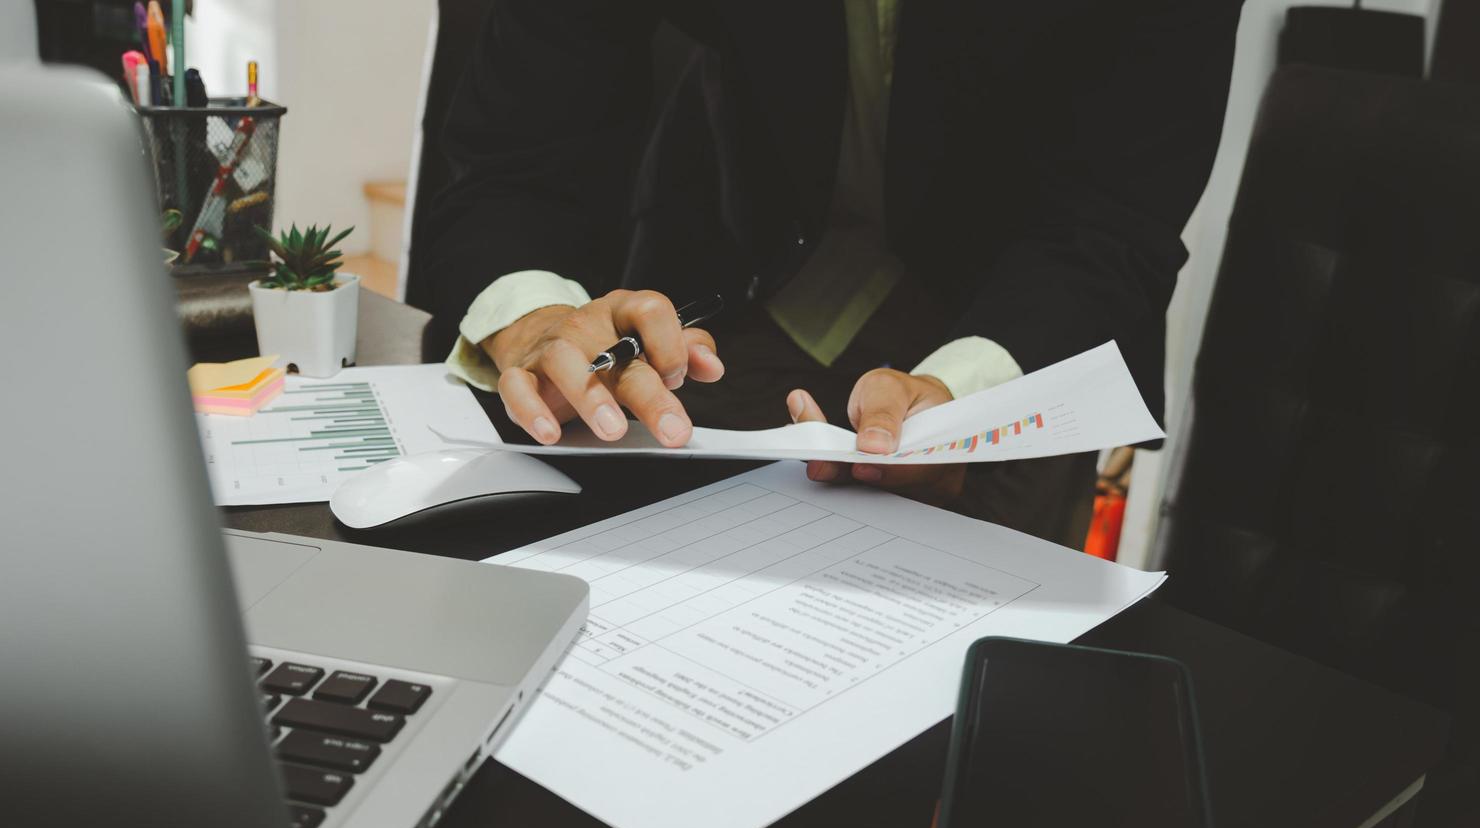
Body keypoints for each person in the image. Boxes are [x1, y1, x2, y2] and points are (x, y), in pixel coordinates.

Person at [423, 1, 1244, 545]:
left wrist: (968, 386)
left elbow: (1116, 207)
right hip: (747, 278)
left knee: (981, 721)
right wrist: (533, 315)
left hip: (1026, 312)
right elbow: (523, 128)